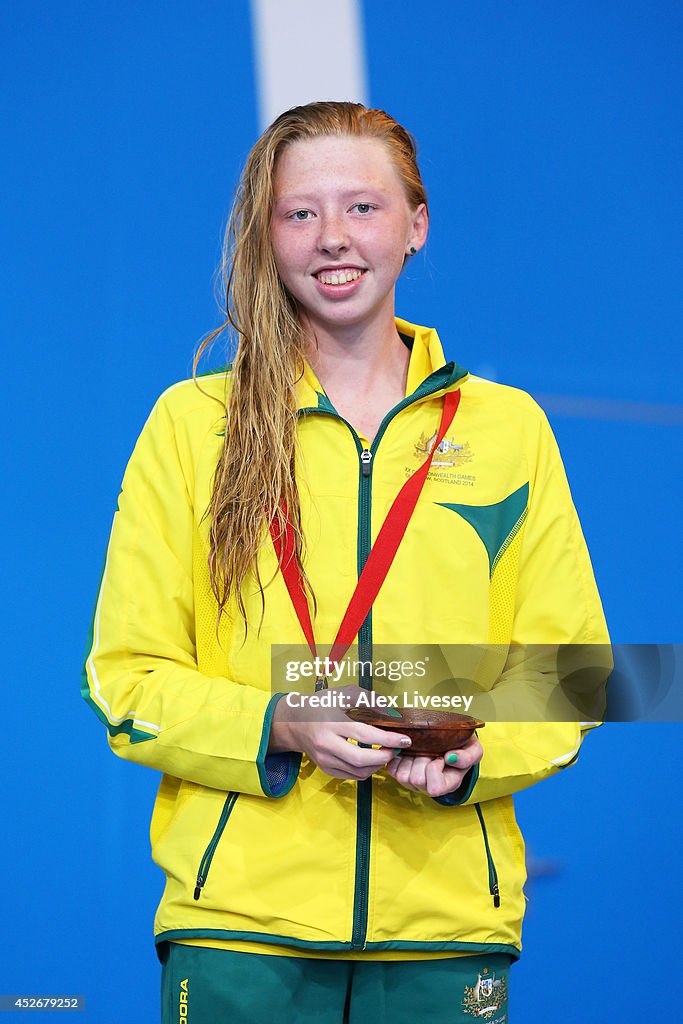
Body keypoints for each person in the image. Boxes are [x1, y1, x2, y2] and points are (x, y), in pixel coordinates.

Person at [82, 101, 609, 1023]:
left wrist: (471, 747)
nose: (333, 238)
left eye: (363, 207)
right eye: (299, 212)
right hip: (240, 926)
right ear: (267, 233)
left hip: (447, 925)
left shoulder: (507, 428)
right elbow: (127, 677)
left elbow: (574, 676)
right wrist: (282, 722)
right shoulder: (190, 426)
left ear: (416, 224)